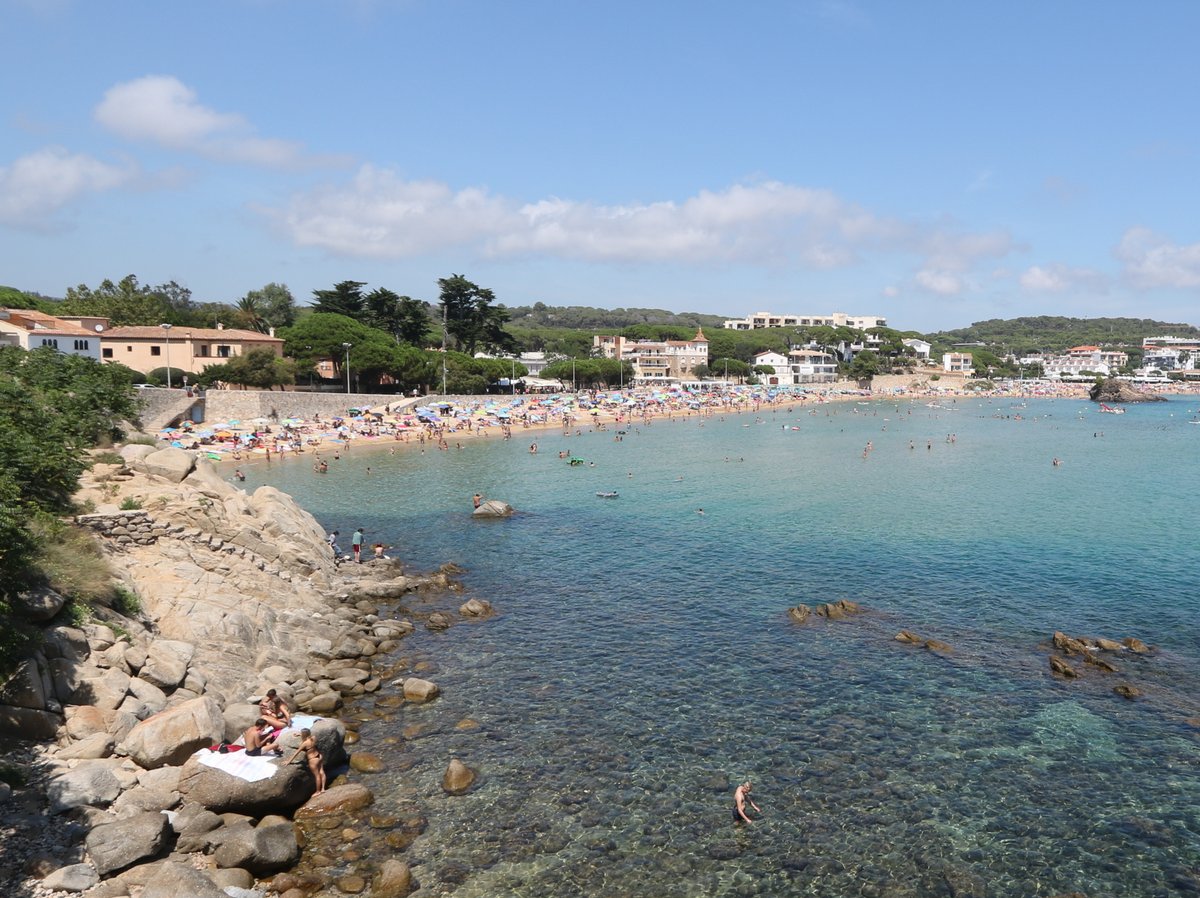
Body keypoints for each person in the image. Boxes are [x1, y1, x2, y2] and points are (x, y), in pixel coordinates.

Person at [287, 727, 326, 793]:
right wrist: (299, 734)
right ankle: (323, 789)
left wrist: (289, 761)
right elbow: (308, 735)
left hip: (313, 759)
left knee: (317, 775)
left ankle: (318, 791)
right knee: (322, 772)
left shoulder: (305, 743)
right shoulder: (313, 737)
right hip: (319, 756)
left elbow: (296, 753)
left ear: (303, 735)